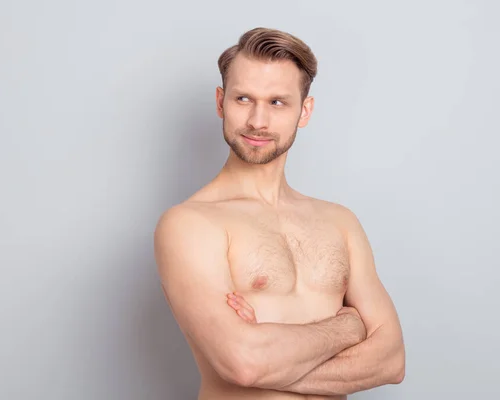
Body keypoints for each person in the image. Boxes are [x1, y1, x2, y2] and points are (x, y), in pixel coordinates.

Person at [153, 27, 405, 400]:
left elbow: (391, 361)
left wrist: (268, 358)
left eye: (277, 102)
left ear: (304, 111)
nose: (257, 121)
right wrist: (348, 329)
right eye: (243, 99)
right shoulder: (190, 224)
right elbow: (244, 363)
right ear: (221, 102)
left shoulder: (340, 222)